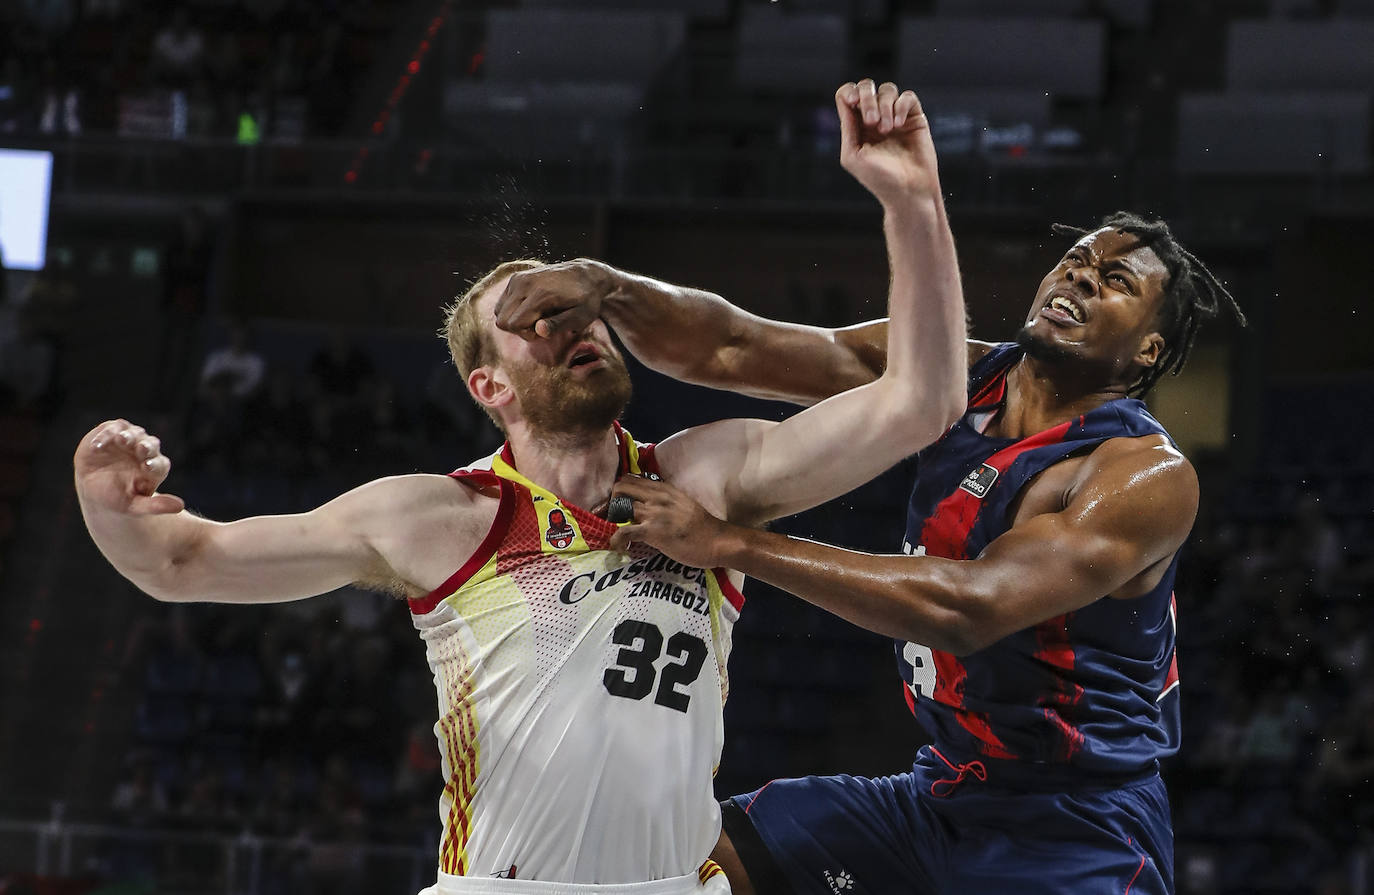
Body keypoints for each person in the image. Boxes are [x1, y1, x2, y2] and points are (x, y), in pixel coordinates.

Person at [74, 80, 967, 894]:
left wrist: (913, 201)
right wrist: (105, 502)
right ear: (489, 387)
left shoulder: (706, 477)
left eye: (574, 309)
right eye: (534, 320)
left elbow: (922, 400)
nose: (568, 324)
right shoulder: (440, 517)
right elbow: (182, 559)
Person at [494, 131, 1248, 894]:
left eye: (1114, 279)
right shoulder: (950, 375)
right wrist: (606, 285)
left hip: (1075, 828)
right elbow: (731, 347)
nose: (1080, 278)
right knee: (685, 863)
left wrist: (728, 542)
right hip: (939, 795)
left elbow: (967, 606)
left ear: (1148, 350)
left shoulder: (1143, 474)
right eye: (1076, 260)